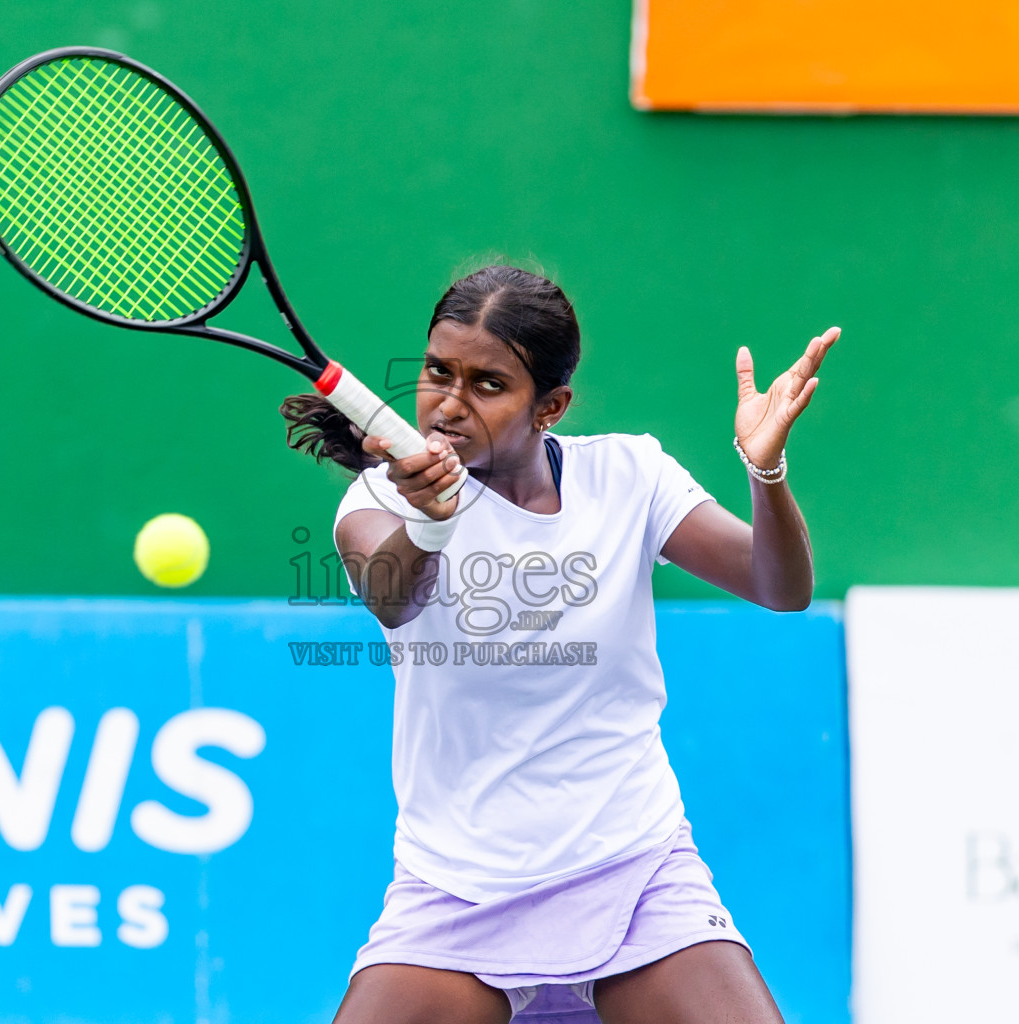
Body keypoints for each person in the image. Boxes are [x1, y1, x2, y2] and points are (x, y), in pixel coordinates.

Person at [281, 265, 837, 1024]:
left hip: (635, 871)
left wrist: (765, 470)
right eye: (438, 372)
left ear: (551, 406)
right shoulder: (379, 499)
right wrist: (431, 523)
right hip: (456, 888)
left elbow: (780, 587)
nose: (449, 403)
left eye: (488, 384)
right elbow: (393, 598)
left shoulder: (629, 474)